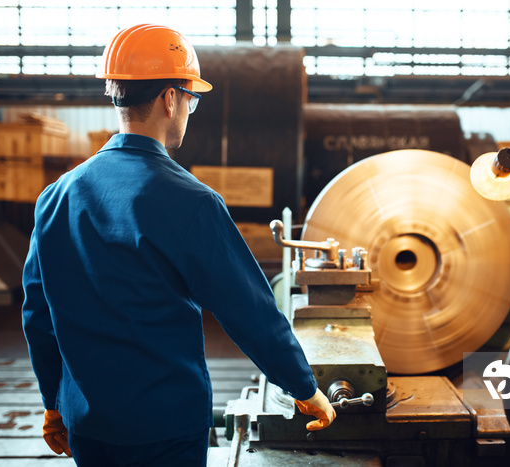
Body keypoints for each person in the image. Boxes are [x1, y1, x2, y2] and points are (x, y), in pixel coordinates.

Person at [22, 23, 335, 466]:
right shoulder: (192, 202)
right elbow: (250, 312)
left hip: (86, 424)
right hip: (164, 428)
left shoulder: (56, 196)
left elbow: (38, 314)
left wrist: (53, 402)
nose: (190, 108)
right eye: (192, 98)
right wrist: (304, 388)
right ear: (171, 98)